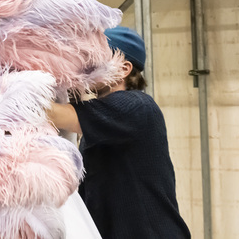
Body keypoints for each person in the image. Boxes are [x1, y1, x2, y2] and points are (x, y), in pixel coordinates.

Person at [47, 26, 191, 239]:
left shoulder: (136, 105)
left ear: (124, 69)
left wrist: (9, 87)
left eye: (96, 60)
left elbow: (55, 114)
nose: (87, 66)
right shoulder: (102, 118)